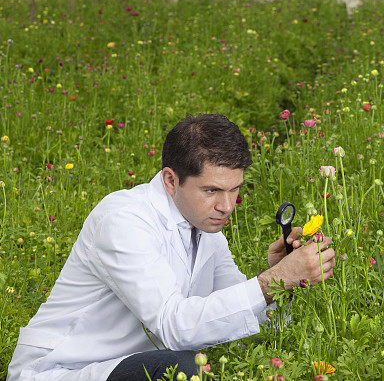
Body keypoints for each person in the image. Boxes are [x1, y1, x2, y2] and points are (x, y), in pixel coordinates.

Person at [7, 114, 336, 381]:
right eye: (211, 190)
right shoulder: (124, 221)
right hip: (63, 370)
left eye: (235, 189)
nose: (227, 205)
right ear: (170, 180)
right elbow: (175, 326)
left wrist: (281, 278)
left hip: (134, 363)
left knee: (185, 366)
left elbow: (246, 319)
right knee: (182, 369)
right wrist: (269, 282)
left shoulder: (205, 228)